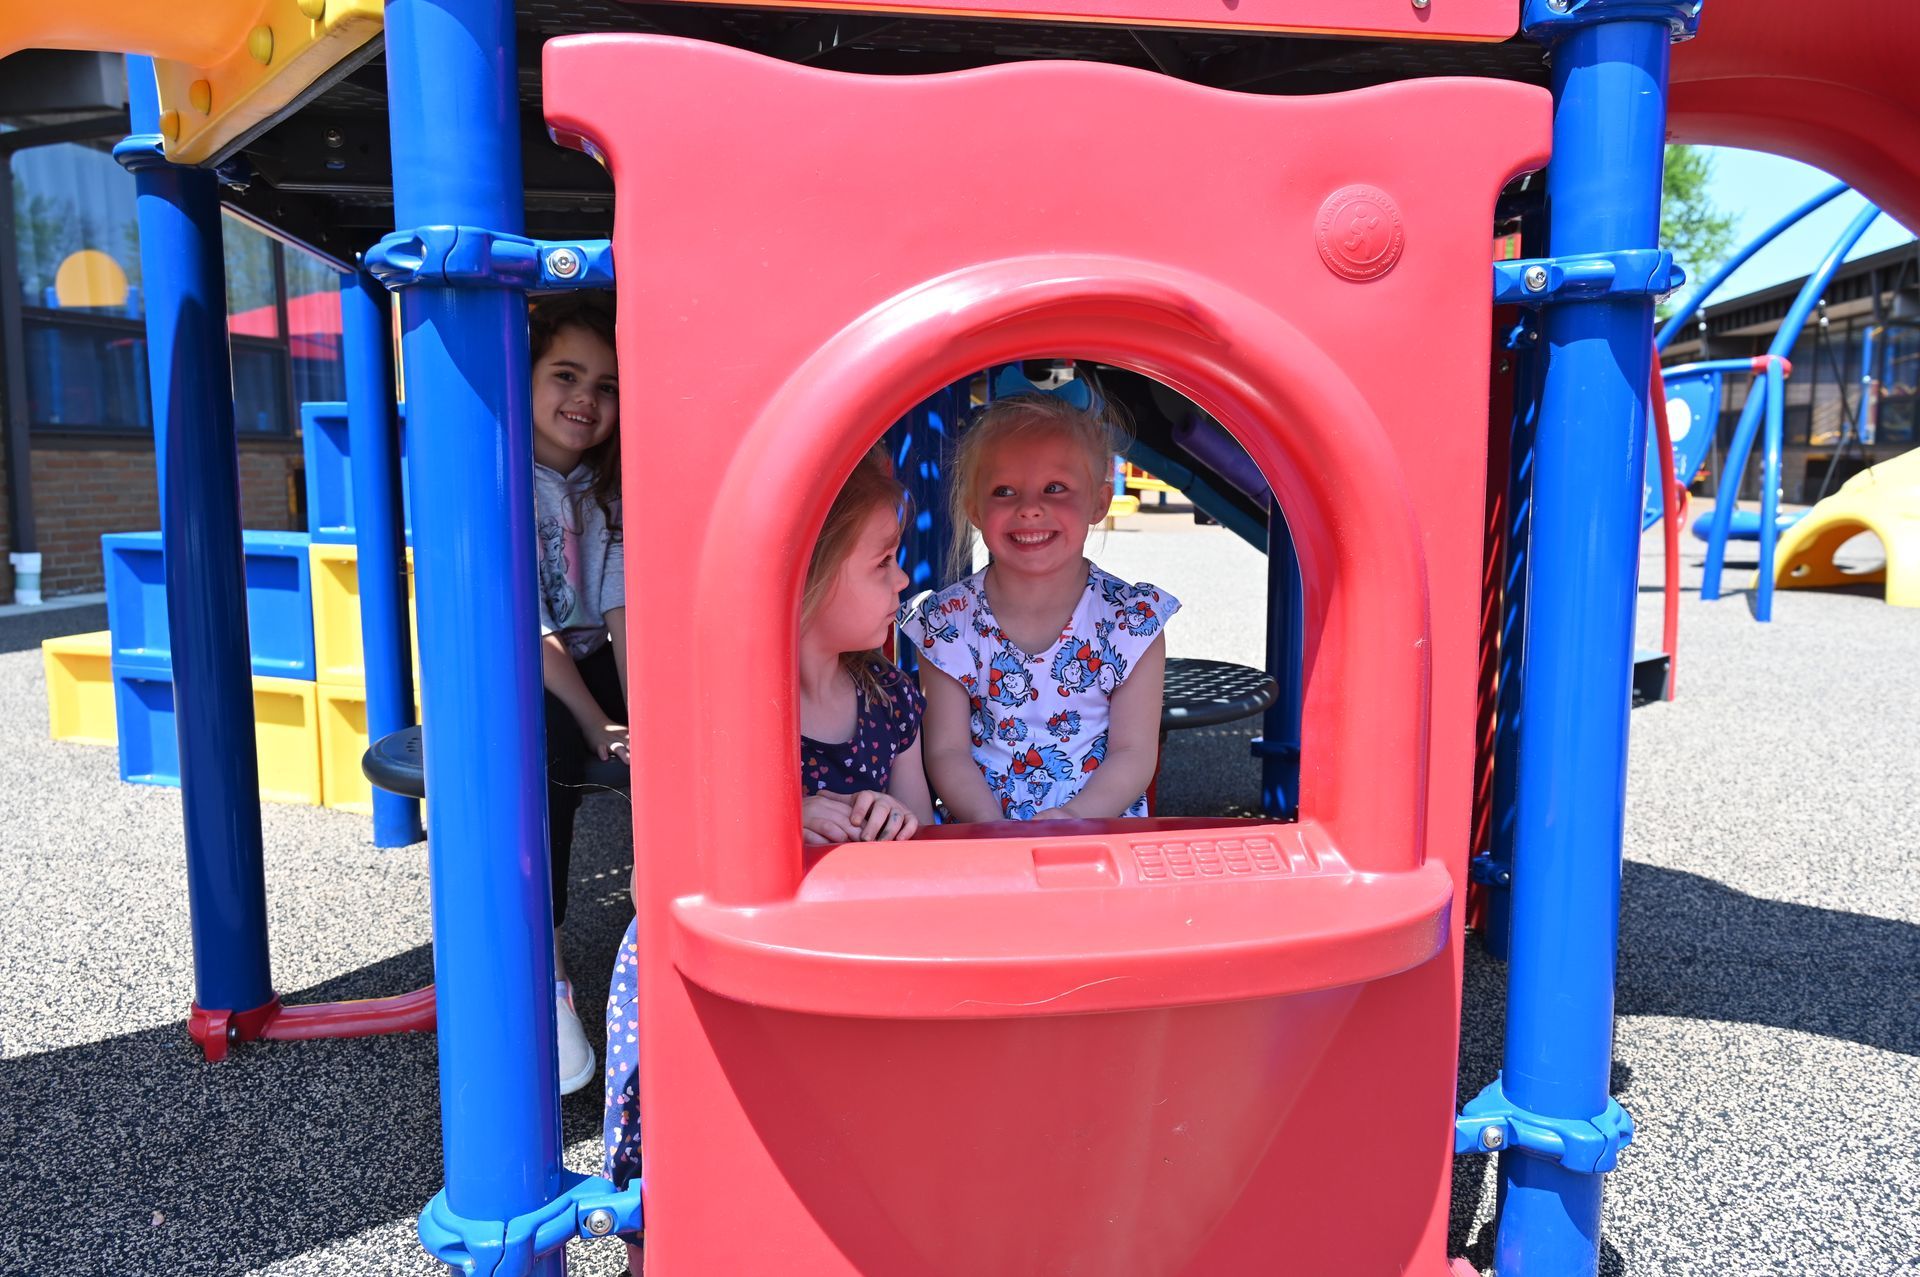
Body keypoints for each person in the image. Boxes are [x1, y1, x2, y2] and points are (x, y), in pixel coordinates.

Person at [601, 444, 931, 1274]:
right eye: (885, 562)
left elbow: (924, 818)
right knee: (685, 1173)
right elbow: (655, 879)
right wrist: (777, 818)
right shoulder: (723, 703)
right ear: (805, 575)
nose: (903, 582)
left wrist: (897, 817)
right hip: (707, 994)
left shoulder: (889, 697)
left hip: (842, 977)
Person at [900, 392, 1177, 821]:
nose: (1030, 508)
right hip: (982, 836)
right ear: (974, 508)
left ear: (1099, 503)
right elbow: (946, 751)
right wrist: (994, 831)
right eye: (1004, 490)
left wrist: (1073, 819)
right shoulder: (949, 622)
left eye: (1055, 488)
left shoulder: (1129, 620)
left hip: (1096, 834)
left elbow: (1134, 753)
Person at [529, 292, 625, 1096]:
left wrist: (642, 710)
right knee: (538, 749)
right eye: (565, 374)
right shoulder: (499, 479)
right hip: (523, 663)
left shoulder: (608, 485)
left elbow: (623, 607)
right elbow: (527, 631)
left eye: (606, 384)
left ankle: (660, 941)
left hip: (593, 653)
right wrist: (599, 723)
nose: (585, 399)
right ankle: (544, 970)